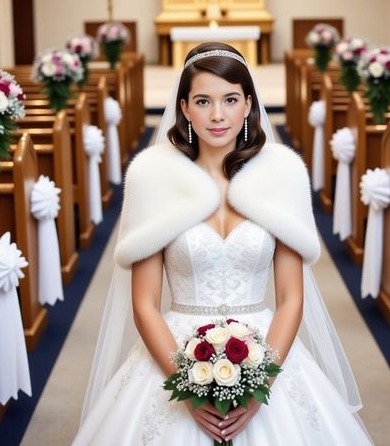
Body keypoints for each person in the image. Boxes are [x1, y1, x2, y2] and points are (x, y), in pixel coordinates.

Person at [75, 42, 373, 443]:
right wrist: (188, 389)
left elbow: (291, 299)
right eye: (203, 101)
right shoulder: (154, 178)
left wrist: (259, 388)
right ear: (184, 107)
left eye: (230, 99)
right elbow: (144, 305)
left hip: (267, 348)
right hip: (176, 353)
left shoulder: (281, 175)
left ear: (248, 104)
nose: (217, 115)